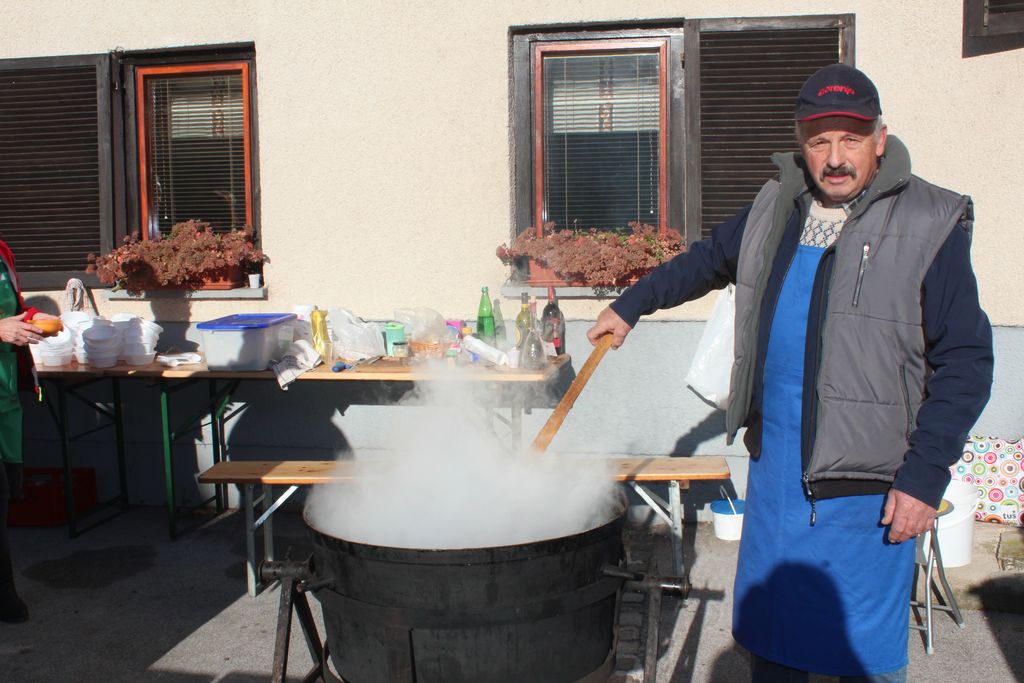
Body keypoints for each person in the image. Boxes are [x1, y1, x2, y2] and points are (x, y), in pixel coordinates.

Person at [587, 64, 993, 681]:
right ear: (802, 144)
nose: (836, 158)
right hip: (776, 475)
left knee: (864, 656)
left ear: (880, 139)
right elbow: (706, 260)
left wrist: (924, 477)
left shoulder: (929, 221)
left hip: (869, 489)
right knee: (772, 642)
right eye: (819, 140)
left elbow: (965, 360)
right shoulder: (777, 205)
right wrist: (631, 304)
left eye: (852, 138)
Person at [0, 239, 58, 623]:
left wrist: (32, 318)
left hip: (5, 398)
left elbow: (12, 311)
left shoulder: (2, 251)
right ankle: (4, 592)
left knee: (9, 490)